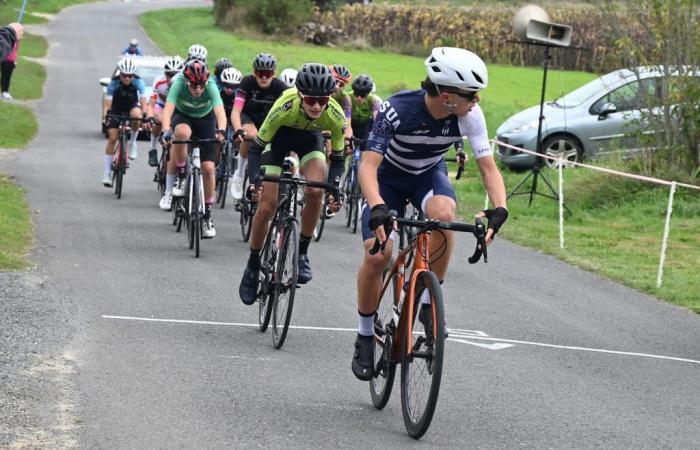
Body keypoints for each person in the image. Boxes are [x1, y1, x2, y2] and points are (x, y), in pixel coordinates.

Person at [350, 47, 509, 381]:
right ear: (448, 96)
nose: (477, 101)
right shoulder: (396, 110)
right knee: (379, 256)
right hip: (387, 178)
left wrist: (500, 207)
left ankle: (427, 306)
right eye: (472, 95)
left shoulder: (469, 116)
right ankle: (365, 334)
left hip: (426, 175)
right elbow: (368, 165)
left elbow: (488, 168)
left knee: (444, 214)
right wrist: (377, 206)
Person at [238, 63, 346, 305]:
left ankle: (303, 253)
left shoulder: (335, 115)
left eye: (323, 100)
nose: (317, 105)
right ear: (299, 95)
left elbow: (338, 159)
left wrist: (335, 187)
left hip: (310, 141)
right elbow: (256, 147)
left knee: (316, 189)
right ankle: (253, 264)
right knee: (267, 205)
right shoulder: (283, 106)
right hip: (276, 142)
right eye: (310, 99)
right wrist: (256, 179)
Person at [159, 59, 227, 238]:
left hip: (205, 119)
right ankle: (181, 175)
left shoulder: (210, 84)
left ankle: (207, 216)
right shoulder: (179, 83)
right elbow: (167, 110)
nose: (198, 89)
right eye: (194, 85)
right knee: (180, 134)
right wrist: (166, 131)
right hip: (184, 116)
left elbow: (220, 111)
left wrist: (221, 130)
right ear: (187, 80)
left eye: (201, 85)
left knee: (209, 168)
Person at [229, 53, 287, 202]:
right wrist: (237, 130)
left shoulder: (280, 87)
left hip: (269, 121)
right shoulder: (247, 83)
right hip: (249, 117)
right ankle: (240, 172)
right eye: (260, 73)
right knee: (251, 135)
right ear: (254, 72)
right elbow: (236, 111)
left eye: (268, 74)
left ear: (273, 74)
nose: (264, 77)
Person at [101, 57, 147, 186]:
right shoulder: (114, 83)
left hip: (131, 107)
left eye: (130, 76)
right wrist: (106, 116)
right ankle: (106, 173)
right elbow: (108, 104)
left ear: (133, 75)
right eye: (124, 75)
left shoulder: (138, 82)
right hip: (116, 108)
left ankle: (132, 143)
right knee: (113, 138)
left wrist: (144, 115)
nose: (127, 78)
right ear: (120, 74)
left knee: (137, 115)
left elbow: (143, 101)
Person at [148, 56, 184, 169]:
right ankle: (152, 148)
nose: (172, 77)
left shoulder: (184, 84)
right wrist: (150, 116)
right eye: (169, 74)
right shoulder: (159, 82)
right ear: (165, 74)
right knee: (159, 120)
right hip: (161, 106)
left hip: (176, 108)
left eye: (175, 74)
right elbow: (152, 103)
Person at [349, 74, 381, 151]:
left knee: (365, 149)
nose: (359, 98)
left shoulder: (374, 100)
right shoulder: (348, 97)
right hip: (351, 123)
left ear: (368, 93)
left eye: (363, 95)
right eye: (356, 94)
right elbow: (346, 117)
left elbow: (377, 118)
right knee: (347, 148)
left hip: (364, 126)